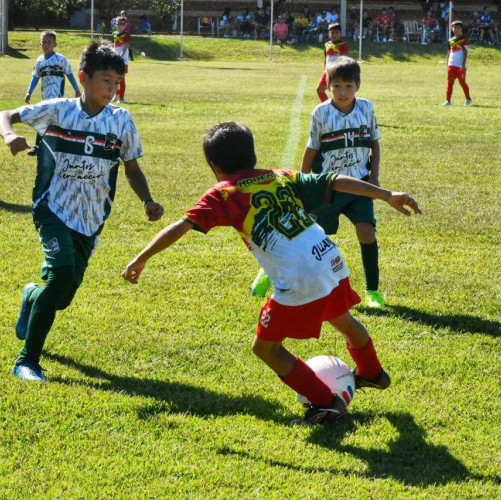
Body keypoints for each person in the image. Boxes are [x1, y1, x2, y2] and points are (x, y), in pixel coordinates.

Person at [122, 122, 421, 426]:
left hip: (300, 275)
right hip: (328, 256)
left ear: (214, 166)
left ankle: (326, 403)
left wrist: (141, 258)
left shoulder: (224, 193)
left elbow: (180, 227)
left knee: (266, 348)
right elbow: (335, 180)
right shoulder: (280, 176)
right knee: (341, 317)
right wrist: (386, 194)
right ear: (253, 156)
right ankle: (373, 373)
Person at [0, 40, 164, 382]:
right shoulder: (59, 110)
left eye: (117, 82)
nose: (112, 89)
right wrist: (9, 135)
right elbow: (5, 115)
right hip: (52, 207)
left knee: (63, 296)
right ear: (84, 78)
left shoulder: (121, 120)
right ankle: (27, 361)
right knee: (60, 278)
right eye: (106, 81)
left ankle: (32, 295)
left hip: (92, 218)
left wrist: (147, 200)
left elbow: (132, 168)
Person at [301, 57, 385, 308]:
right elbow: (312, 148)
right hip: (329, 186)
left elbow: (374, 143)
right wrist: (302, 180)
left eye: (348, 86)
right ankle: (275, 275)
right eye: (337, 85)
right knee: (312, 238)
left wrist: (374, 176)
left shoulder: (366, 108)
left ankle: (372, 291)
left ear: (358, 85)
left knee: (366, 231)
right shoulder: (321, 113)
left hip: (359, 183)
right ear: (328, 86)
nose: (342, 92)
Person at [24, 31, 81, 156]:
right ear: (40, 44)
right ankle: (38, 147)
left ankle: (65, 145)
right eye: (44, 42)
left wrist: (77, 90)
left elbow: (70, 74)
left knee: (58, 121)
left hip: (58, 99)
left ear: (55, 44)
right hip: (45, 99)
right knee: (42, 119)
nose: (46, 45)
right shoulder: (39, 61)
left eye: (49, 42)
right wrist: (29, 92)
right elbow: (35, 77)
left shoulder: (60, 59)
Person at [316, 22, 348, 102]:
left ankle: (343, 106)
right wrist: (325, 68)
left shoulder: (342, 44)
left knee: (338, 92)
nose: (334, 35)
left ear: (340, 34)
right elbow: (326, 57)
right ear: (329, 33)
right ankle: (327, 106)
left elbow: (344, 58)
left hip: (338, 71)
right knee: (320, 89)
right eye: (332, 32)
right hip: (327, 71)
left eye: (337, 33)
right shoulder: (327, 44)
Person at [442, 20, 472, 106]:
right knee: (450, 83)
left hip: (460, 66)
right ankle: (448, 101)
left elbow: (465, 52)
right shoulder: (450, 40)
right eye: (454, 28)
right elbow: (449, 52)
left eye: (457, 28)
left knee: (462, 82)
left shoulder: (464, 40)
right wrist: (447, 63)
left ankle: (468, 99)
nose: (455, 29)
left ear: (461, 29)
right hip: (451, 65)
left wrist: (463, 64)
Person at [112, 16, 130, 103]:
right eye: (118, 24)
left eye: (122, 24)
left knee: (121, 79)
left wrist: (121, 55)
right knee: (114, 78)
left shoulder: (126, 35)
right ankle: (117, 94)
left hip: (123, 59)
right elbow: (115, 45)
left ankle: (121, 98)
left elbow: (125, 46)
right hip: (115, 58)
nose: (119, 26)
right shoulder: (114, 33)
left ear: (125, 25)